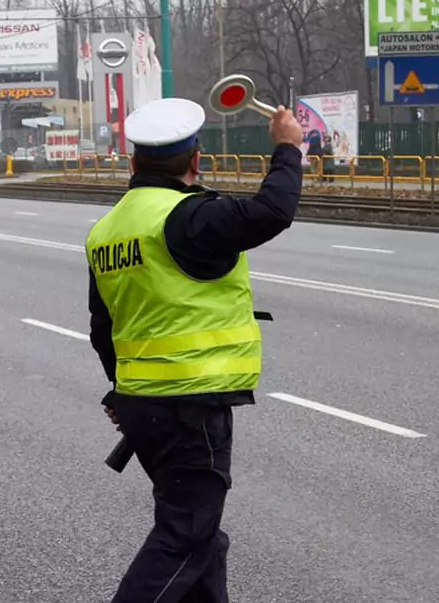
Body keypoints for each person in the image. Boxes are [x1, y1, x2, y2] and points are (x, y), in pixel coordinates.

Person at [85, 97, 304, 603]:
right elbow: (273, 211)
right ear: (195, 161)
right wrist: (288, 148)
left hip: (144, 407)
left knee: (203, 537)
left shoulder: (108, 231)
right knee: (186, 536)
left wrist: (121, 389)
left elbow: (104, 327)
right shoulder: (189, 218)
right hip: (190, 405)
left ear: (134, 162)